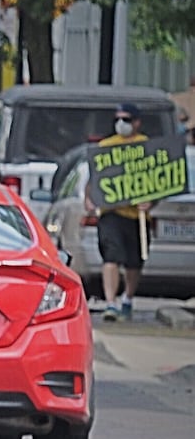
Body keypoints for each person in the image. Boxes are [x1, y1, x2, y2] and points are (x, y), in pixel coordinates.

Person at [94, 102, 153, 321]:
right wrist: (90, 200)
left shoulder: (147, 147)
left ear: (137, 123)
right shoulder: (106, 146)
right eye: (118, 119)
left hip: (137, 217)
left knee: (134, 262)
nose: (121, 123)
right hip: (111, 213)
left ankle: (127, 298)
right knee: (111, 256)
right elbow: (95, 177)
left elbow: (159, 181)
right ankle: (111, 303)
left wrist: (151, 202)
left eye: (126, 119)